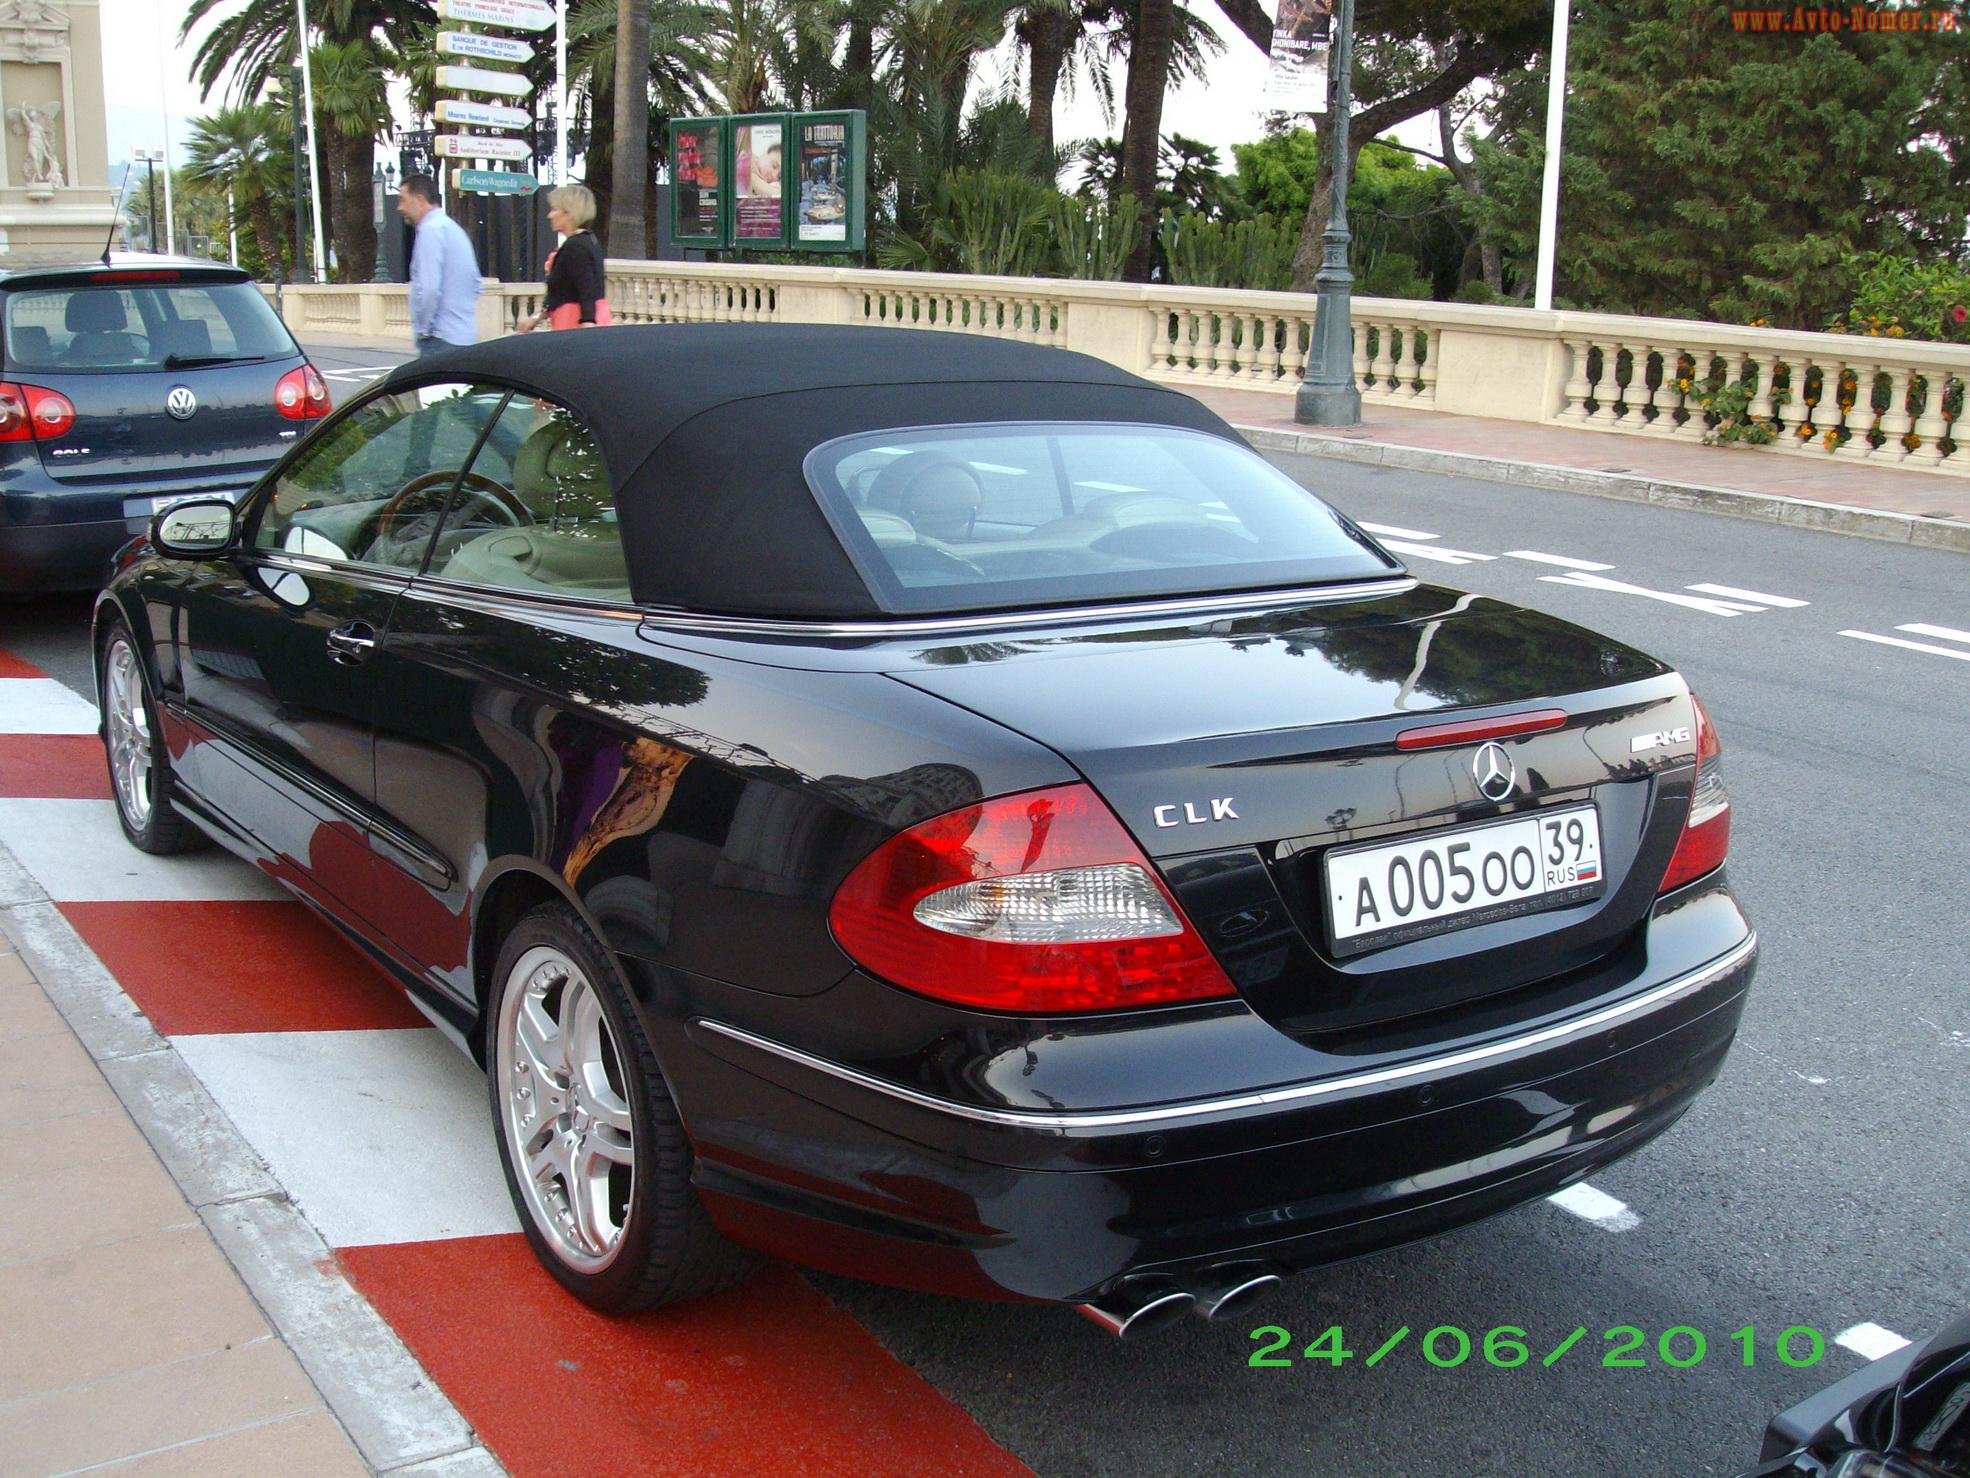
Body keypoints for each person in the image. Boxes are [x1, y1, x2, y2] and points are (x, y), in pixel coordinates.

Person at [396, 174, 481, 355]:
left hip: (440, 339)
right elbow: (475, 285)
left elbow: (428, 289)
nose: (399, 207)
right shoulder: (453, 229)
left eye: (402, 199)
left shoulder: (430, 231)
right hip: (463, 337)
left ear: (419, 200)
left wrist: (424, 330)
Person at [516, 185, 610, 333]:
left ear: (570, 213)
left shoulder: (576, 246)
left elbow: (587, 290)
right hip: (576, 323)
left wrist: (587, 325)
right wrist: (535, 318)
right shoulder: (588, 241)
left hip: (573, 324)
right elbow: (561, 293)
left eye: (554, 209)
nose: (549, 215)